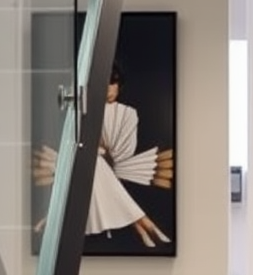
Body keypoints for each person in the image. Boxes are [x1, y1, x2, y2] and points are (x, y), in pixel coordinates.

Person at [33, 61, 173, 248]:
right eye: (103, 84)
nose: (108, 89)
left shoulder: (127, 113)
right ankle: (142, 223)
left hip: (106, 165)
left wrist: (97, 150)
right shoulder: (84, 111)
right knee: (95, 164)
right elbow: (77, 142)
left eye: (112, 83)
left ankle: (51, 217)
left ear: (119, 85)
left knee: (97, 165)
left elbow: (122, 150)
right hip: (82, 162)